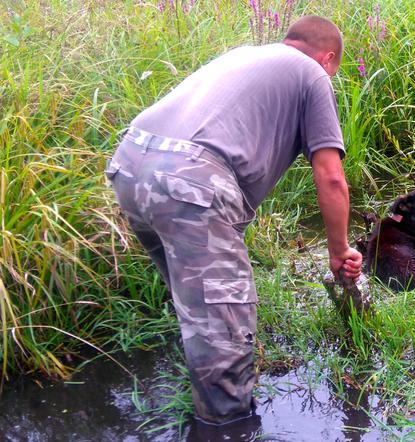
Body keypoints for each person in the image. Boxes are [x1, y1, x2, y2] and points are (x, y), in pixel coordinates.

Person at [105, 15, 363, 425]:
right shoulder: (314, 74)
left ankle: (198, 387)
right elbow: (331, 176)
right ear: (328, 58)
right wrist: (338, 250)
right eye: (334, 67)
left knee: (198, 310)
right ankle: (226, 427)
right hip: (189, 182)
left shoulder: (246, 55)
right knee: (225, 336)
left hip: (130, 163)